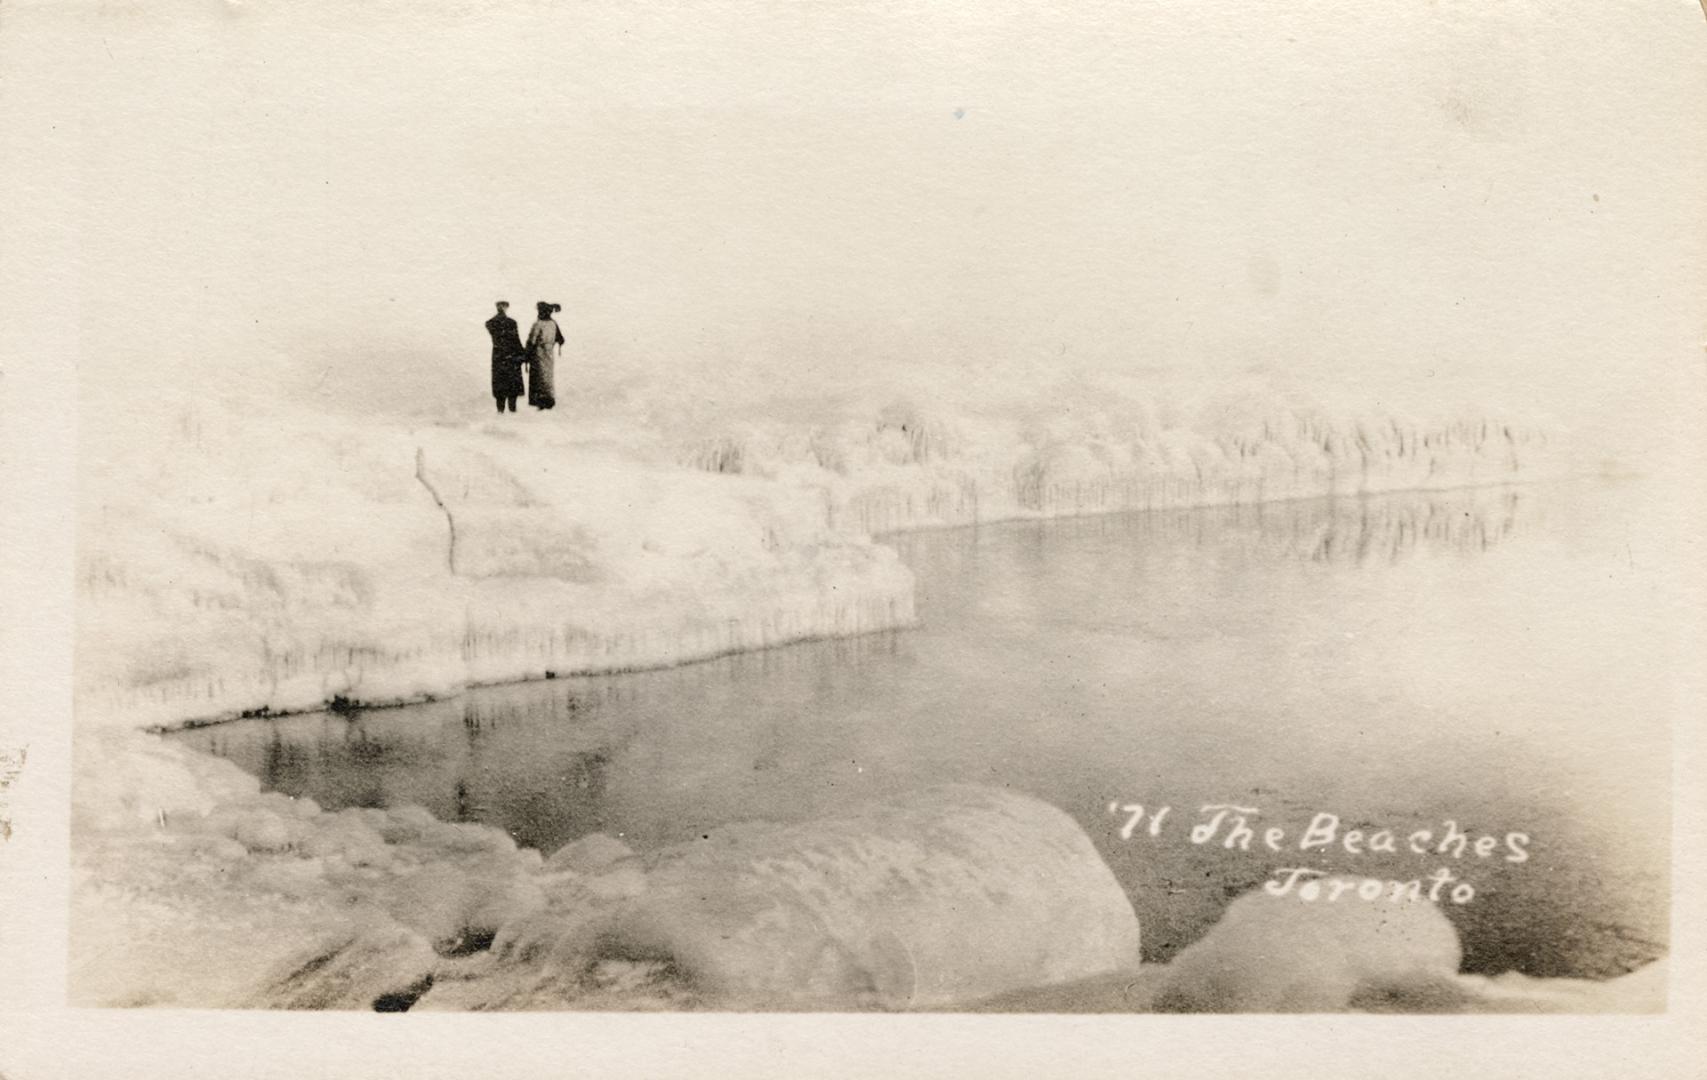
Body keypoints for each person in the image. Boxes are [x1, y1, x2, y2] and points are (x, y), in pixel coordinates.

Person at [484, 301, 526, 412]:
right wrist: (523, 354)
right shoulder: (511, 323)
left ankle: (501, 413)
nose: (502, 308)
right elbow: (516, 340)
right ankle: (511, 413)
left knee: (500, 386)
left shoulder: (490, 323)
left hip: (499, 356)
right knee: (511, 387)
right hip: (511, 356)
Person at [526, 301, 564, 410]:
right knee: (548, 376)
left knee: (538, 376)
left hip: (538, 352)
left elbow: (532, 340)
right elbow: (560, 339)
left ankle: (540, 401)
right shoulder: (553, 324)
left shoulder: (538, 324)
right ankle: (549, 399)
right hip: (549, 352)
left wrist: (527, 353)